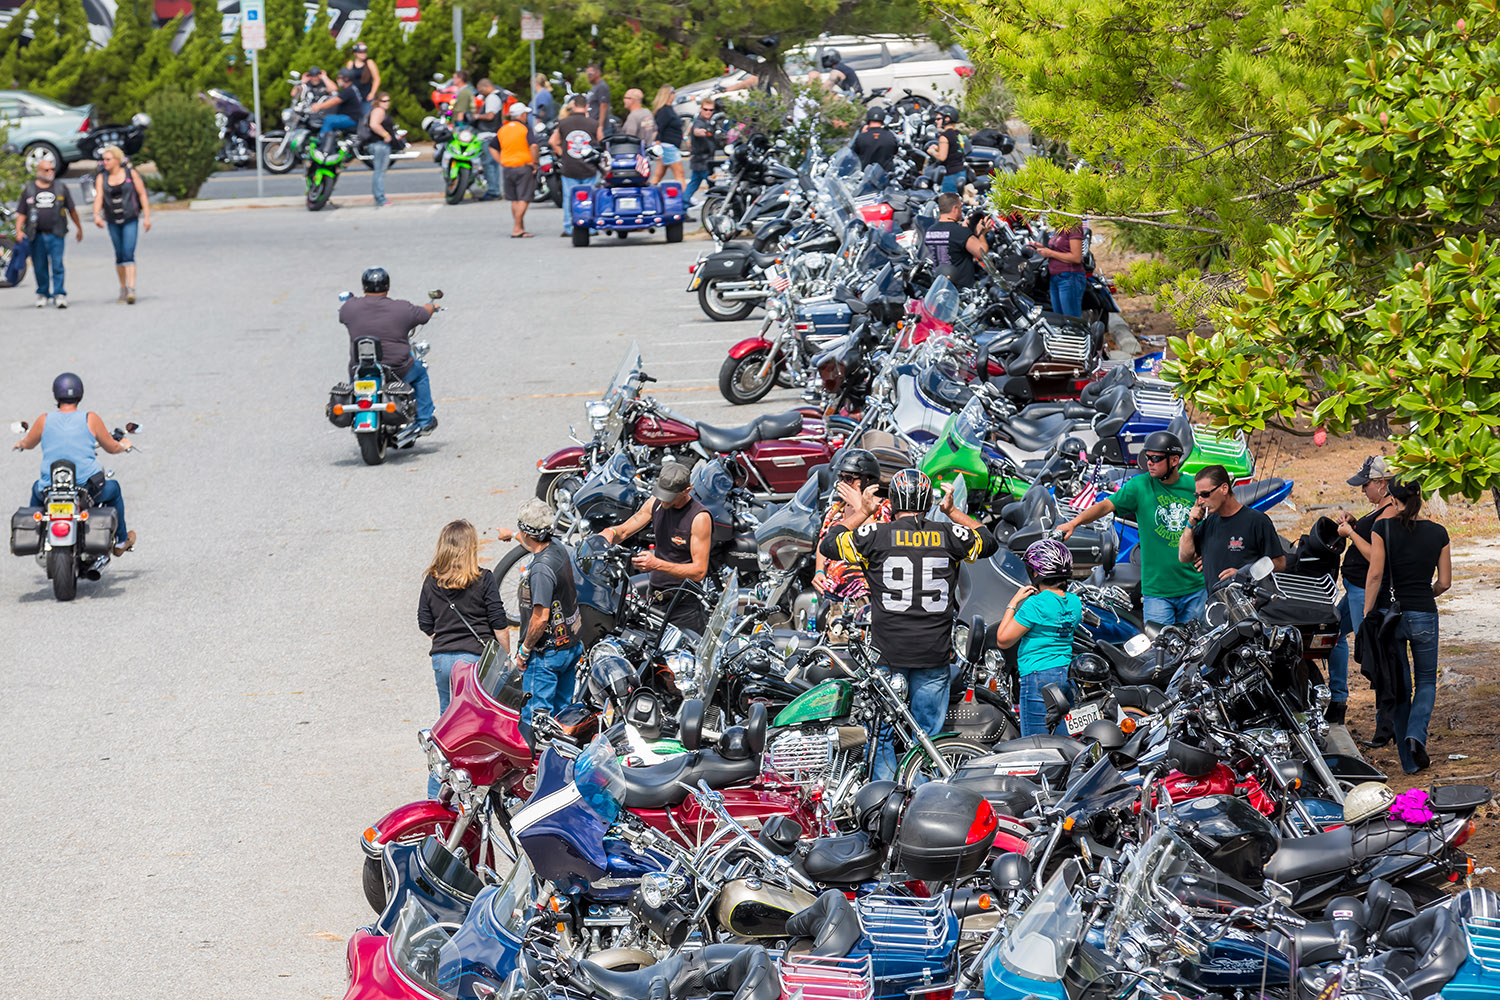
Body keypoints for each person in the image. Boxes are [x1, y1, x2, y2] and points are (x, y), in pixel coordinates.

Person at [821, 469, 997, 778]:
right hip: (934, 653)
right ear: (928, 502)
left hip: (888, 653)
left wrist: (863, 511)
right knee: (927, 737)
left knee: (883, 732)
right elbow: (989, 540)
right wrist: (952, 511)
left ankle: (885, 803)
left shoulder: (875, 534)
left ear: (892, 501)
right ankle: (923, 797)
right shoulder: (948, 535)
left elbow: (830, 544)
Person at [1059, 431, 1205, 626]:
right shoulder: (1139, 486)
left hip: (1195, 589)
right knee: (1160, 652)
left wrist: (1210, 555)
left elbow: (1220, 520)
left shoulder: (1193, 486)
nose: (1149, 463)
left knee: (1199, 650)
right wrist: (1073, 523)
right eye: (1147, 457)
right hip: (1157, 593)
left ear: (1174, 460)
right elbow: (1105, 506)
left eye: (1156, 458)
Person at [417, 520, 511, 795]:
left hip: (443, 661)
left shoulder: (432, 581)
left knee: (446, 725)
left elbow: (425, 623)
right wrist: (504, 661)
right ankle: (475, 787)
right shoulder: (484, 579)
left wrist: (445, 642)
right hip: (474, 663)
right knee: (477, 728)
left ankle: (437, 792)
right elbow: (499, 625)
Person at [1363, 480, 1450, 775]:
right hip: (1425, 612)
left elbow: (1375, 575)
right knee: (1426, 680)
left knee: (1400, 687)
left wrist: (1368, 615)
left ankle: (1409, 763)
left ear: (1393, 499)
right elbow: (1445, 582)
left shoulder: (1382, 529)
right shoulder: (1438, 533)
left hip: (1392, 616)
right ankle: (1416, 734)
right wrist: (1428, 593)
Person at [12, 373, 136, 556]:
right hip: (86, 490)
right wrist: (124, 445)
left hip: (50, 489)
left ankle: (33, 533)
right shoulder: (90, 418)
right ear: (80, 394)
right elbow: (111, 446)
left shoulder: (44, 420)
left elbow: (28, 443)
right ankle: (121, 541)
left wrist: (20, 444)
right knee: (114, 488)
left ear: (56, 394)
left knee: (36, 490)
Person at [496, 500, 582, 741]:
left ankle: (537, 772)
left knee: (536, 722)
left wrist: (523, 651)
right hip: (569, 646)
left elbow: (541, 617)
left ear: (527, 532)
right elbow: (531, 543)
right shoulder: (556, 548)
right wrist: (512, 535)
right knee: (561, 719)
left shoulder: (541, 570)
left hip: (547, 655)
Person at [599, 462, 712, 634]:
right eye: (660, 493)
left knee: (687, 657)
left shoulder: (699, 518)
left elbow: (699, 571)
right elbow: (624, 530)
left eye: (669, 496)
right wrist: (608, 533)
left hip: (683, 605)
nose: (663, 499)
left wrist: (656, 564)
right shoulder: (655, 503)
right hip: (655, 596)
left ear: (687, 490)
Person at [1329, 456, 1397, 732]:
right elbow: (1370, 534)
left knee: (1370, 652)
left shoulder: (1390, 512)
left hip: (1364, 592)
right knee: (1331, 634)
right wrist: (1354, 524)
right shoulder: (1378, 509)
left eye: (1366, 484)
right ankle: (1338, 699)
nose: (1362, 490)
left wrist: (1350, 533)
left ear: (1382, 483)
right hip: (1353, 588)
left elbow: (1376, 557)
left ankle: (1386, 721)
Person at [996, 539, 1083, 736]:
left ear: (1035, 573)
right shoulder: (1074, 602)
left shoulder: (1036, 604)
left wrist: (1013, 602)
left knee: (1036, 744)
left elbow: (1003, 639)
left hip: (1038, 677)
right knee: (1064, 740)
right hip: (1066, 674)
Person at [338, 267, 438, 434]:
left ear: (364, 288)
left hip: (359, 370)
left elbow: (344, 315)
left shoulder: (349, 308)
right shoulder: (402, 308)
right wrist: (432, 305)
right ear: (388, 287)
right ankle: (424, 420)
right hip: (397, 370)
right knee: (420, 372)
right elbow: (424, 315)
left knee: (354, 379)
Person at [1180, 464, 1285, 585]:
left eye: (1205, 494)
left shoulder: (1257, 521)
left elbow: (1280, 563)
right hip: (1216, 601)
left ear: (1224, 489)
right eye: (1197, 496)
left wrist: (1246, 574)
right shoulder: (1209, 522)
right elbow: (1185, 556)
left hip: (1248, 601)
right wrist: (1190, 524)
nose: (1200, 501)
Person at [813, 449, 891, 608]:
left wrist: (859, 507)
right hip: (834, 595)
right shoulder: (835, 509)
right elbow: (824, 541)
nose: (842, 484)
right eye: (840, 478)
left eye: (848, 479)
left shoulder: (884, 507)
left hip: (867, 597)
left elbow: (884, 539)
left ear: (867, 480)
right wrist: (819, 571)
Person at [15, 157, 81, 308]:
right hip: (36, 235)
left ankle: (59, 293)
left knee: (57, 264)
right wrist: (18, 230)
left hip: (56, 233)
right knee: (39, 266)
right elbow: (21, 213)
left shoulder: (60, 187)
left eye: (52, 169)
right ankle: (43, 293)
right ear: (38, 172)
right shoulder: (30, 189)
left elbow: (71, 210)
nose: (50, 172)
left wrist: (79, 227)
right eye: (46, 170)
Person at [90, 144, 151, 304]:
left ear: (117, 159)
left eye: (108, 159)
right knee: (119, 254)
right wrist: (96, 215)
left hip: (130, 218)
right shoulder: (101, 178)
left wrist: (147, 217)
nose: (105, 162)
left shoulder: (131, 174)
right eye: (104, 160)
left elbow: (142, 194)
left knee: (128, 252)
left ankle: (131, 288)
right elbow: (99, 197)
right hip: (112, 220)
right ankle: (123, 288)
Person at [551, 93, 598, 238]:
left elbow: (553, 141)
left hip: (569, 166)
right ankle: (591, 228)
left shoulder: (563, 123)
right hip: (589, 167)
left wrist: (562, 153)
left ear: (572, 106)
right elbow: (602, 143)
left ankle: (569, 227)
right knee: (591, 197)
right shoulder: (594, 124)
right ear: (586, 107)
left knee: (568, 198)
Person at [922, 193, 990, 290]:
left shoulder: (930, 231)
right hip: (961, 290)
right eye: (960, 207)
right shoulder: (960, 232)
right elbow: (982, 253)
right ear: (955, 208)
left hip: (939, 287)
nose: (961, 211)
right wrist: (982, 234)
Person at [492, 103, 538, 238]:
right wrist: (535, 163)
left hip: (507, 167)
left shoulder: (503, 129)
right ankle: (517, 227)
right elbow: (534, 145)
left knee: (514, 199)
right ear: (522, 115)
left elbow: (492, 147)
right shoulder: (525, 128)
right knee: (524, 198)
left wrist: (500, 161)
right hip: (523, 166)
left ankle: (521, 227)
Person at [1030, 219, 1086, 318]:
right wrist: (1041, 248)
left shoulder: (1073, 226)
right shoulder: (1059, 227)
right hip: (1055, 278)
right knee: (1059, 320)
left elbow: (1076, 257)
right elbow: (1060, 250)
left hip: (1069, 277)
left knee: (1071, 320)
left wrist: (1050, 253)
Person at [360, 92, 395, 209]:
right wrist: (385, 135)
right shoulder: (378, 111)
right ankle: (380, 199)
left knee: (379, 172)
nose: (387, 103)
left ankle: (380, 198)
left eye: (388, 100)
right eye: (384, 101)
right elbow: (374, 125)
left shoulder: (379, 111)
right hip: (378, 144)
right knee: (379, 172)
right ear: (378, 102)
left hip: (379, 145)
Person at [685, 98, 722, 203]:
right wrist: (702, 132)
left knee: (694, 184)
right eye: (705, 109)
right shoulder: (699, 122)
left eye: (711, 110)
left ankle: (684, 205)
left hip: (703, 160)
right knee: (713, 185)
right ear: (701, 109)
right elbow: (697, 130)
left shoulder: (708, 122)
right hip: (702, 161)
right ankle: (716, 205)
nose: (708, 112)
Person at [474, 79, 505, 201]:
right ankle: (494, 190)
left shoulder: (492, 98)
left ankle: (493, 191)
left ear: (486, 87)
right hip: (492, 135)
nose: (480, 93)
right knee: (491, 164)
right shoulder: (496, 97)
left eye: (481, 90)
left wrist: (476, 116)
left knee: (489, 164)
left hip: (488, 135)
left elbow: (490, 115)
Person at [647, 86, 685, 185]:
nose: (674, 95)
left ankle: (648, 193)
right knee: (679, 173)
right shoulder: (664, 111)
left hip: (670, 145)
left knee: (658, 175)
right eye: (673, 93)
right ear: (668, 95)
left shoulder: (669, 109)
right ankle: (684, 199)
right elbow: (658, 128)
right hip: (668, 145)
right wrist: (657, 146)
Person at [926, 105, 966, 193]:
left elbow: (942, 157)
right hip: (961, 171)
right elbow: (954, 149)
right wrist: (937, 148)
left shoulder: (944, 136)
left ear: (947, 119)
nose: (936, 121)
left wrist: (932, 151)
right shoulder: (958, 134)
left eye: (938, 119)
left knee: (948, 202)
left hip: (951, 174)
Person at [314, 67, 363, 135]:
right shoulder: (352, 88)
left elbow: (334, 101)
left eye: (339, 78)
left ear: (346, 79)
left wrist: (319, 106)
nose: (337, 80)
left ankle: (322, 140)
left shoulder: (348, 90)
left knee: (329, 120)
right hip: (353, 118)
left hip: (351, 119)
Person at [852, 107, 897, 171]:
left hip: (864, 176)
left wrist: (862, 133)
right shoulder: (890, 136)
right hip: (885, 177)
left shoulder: (861, 137)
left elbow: (853, 153)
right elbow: (895, 152)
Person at [343, 42, 381, 117]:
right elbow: (347, 80)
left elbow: (377, 79)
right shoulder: (351, 64)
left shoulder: (369, 62)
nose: (363, 54)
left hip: (366, 96)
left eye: (364, 52)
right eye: (360, 52)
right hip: (354, 96)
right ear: (355, 53)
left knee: (365, 117)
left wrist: (372, 93)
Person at [585, 63, 611, 140]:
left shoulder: (601, 86)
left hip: (600, 128)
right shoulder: (594, 87)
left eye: (590, 74)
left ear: (598, 73)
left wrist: (600, 126)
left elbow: (604, 106)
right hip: (593, 125)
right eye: (587, 74)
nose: (588, 76)